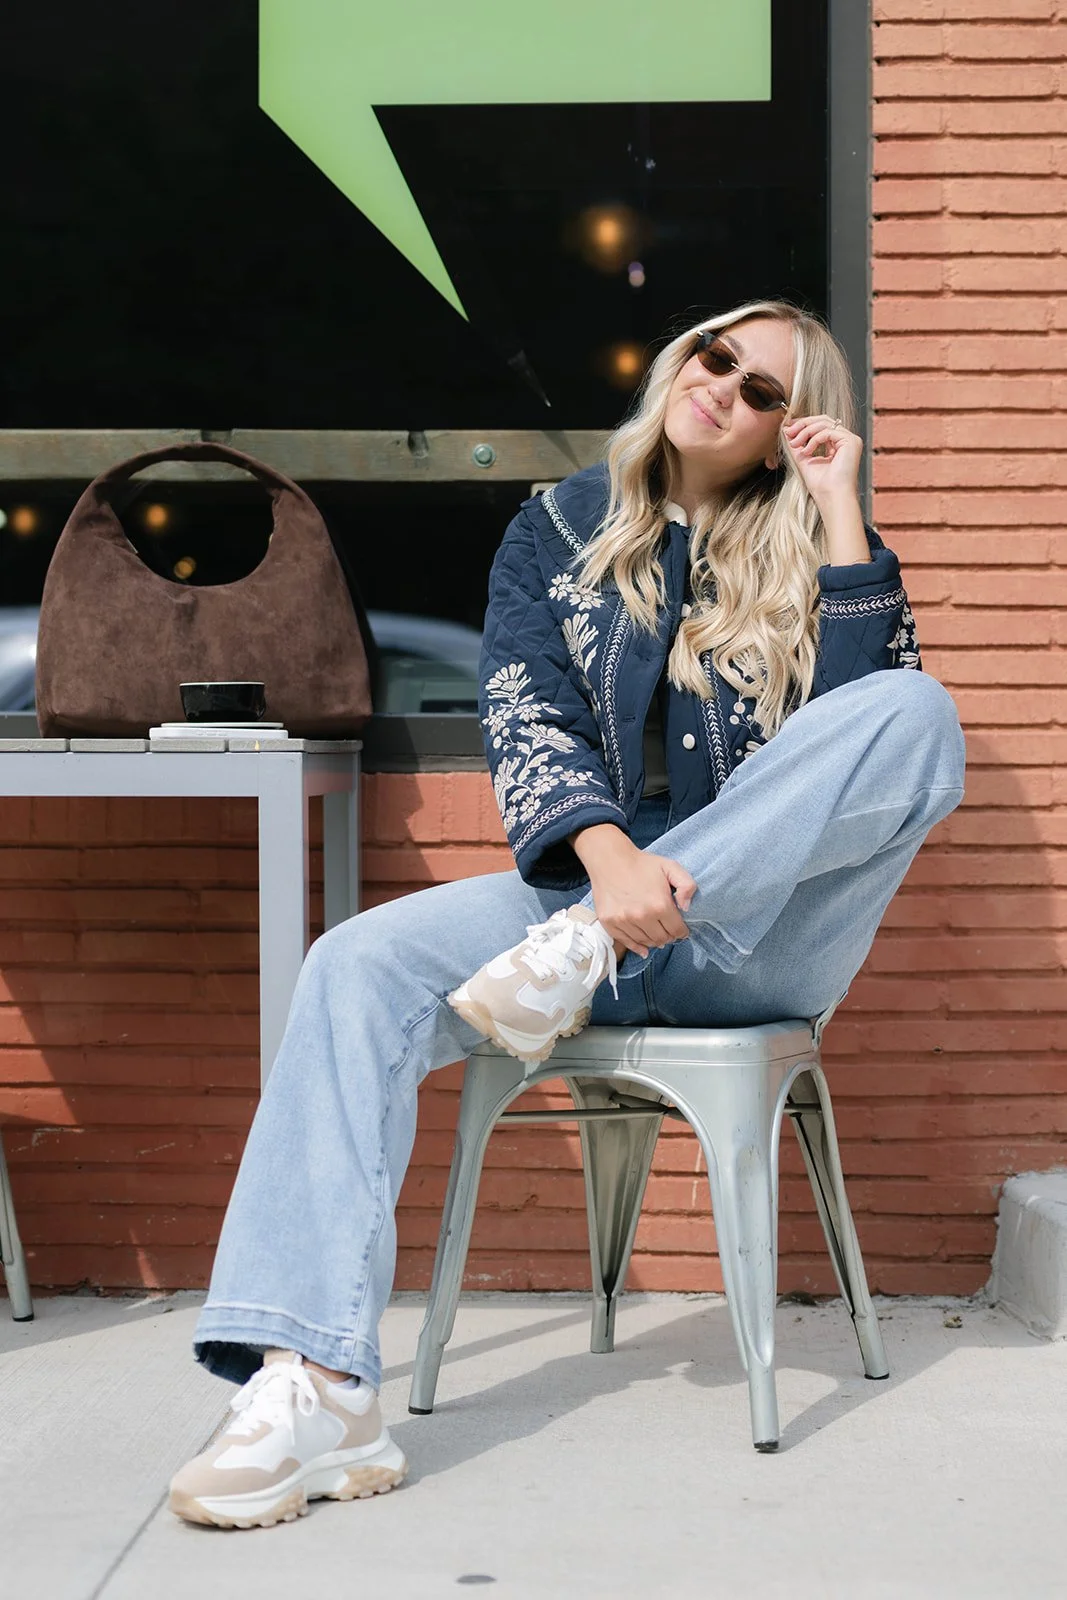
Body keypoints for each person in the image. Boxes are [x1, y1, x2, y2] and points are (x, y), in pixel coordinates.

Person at [169, 298, 965, 1529]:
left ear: (782, 432)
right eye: (717, 358)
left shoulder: (813, 544)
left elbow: (861, 746)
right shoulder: (553, 530)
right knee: (350, 965)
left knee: (918, 716)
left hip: (746, 948)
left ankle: (583, 945)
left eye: (765, 393)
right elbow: (523, 714)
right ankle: (312, 1385)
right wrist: (605, 873)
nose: (726, 390)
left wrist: (839, 510)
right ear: (678, 358)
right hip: (572, 903)